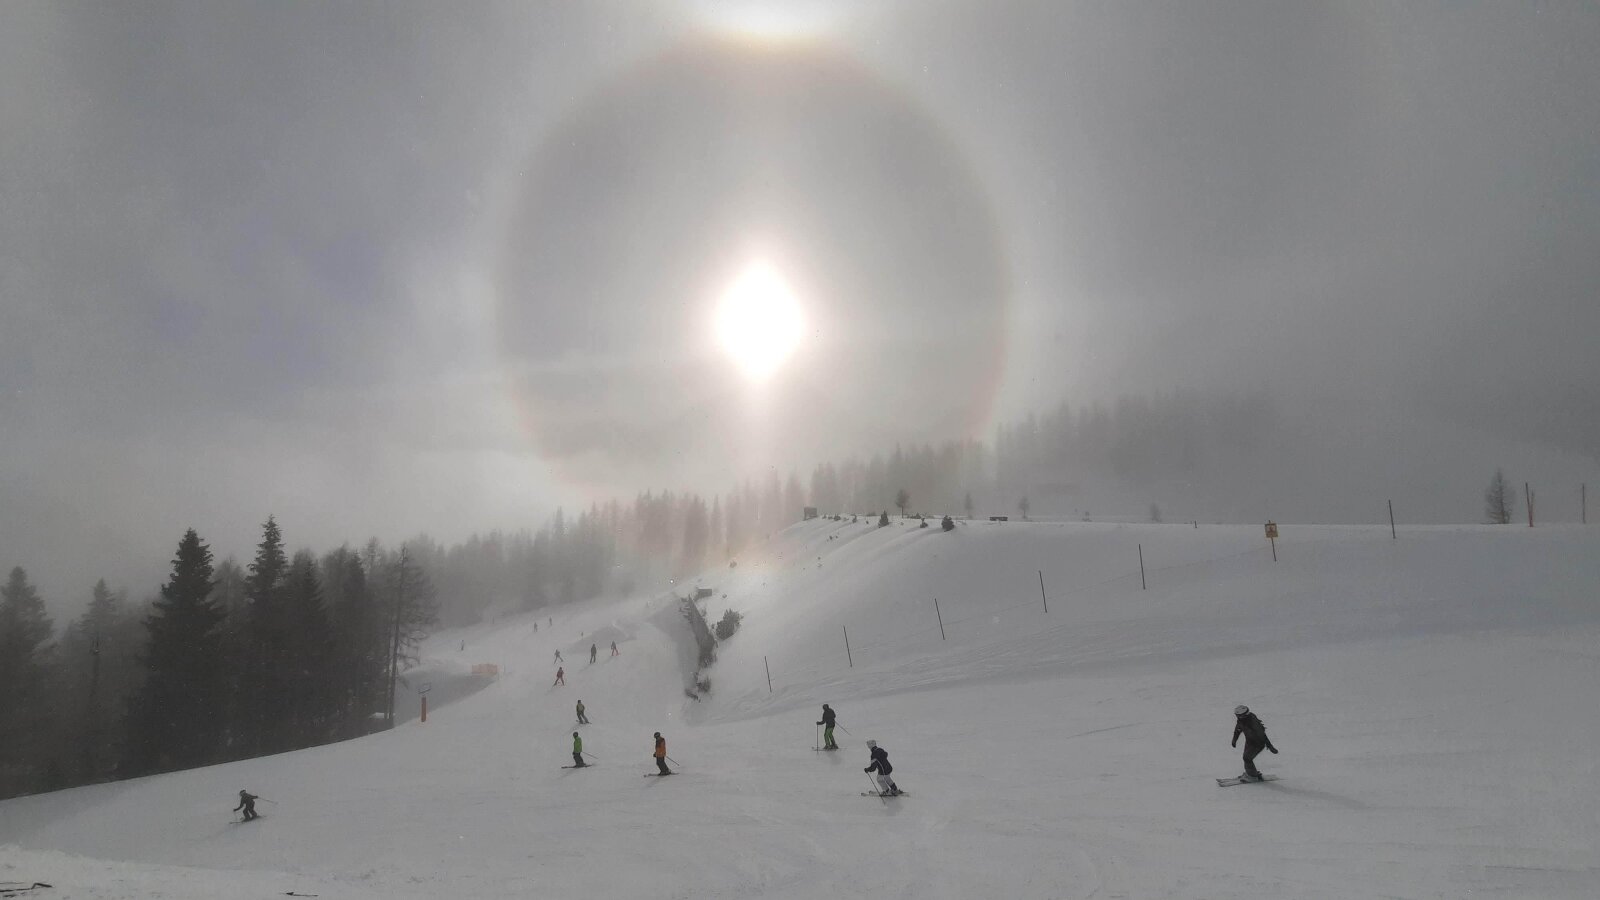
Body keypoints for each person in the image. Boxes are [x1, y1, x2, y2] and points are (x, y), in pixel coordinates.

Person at [1231, 705, 1278, 781]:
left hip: (1258, 744)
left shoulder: (1253, 721)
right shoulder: (1241, 720)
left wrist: (1270, 746)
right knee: (1246, 758)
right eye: (1236, 715)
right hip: (1249, 742)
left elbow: (1262, 734)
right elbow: (1238, 729)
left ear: (1244, 715)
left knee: (1247, 758)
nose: (1237, 717)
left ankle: (1252, 776)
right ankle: (1251, 773)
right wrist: (1234, 739)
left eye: (1238, 715)